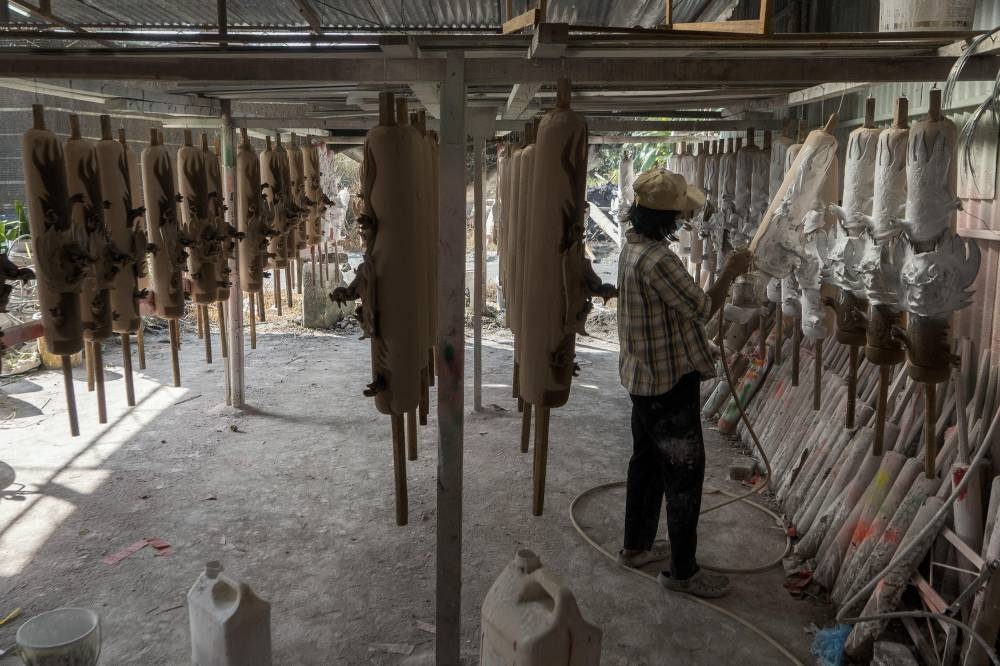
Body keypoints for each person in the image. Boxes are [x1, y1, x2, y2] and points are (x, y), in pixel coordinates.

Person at [616, 167, 752, 599]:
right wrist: (729, 271)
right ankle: (683, 572)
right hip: (668, 384)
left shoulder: (632, 246)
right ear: (666, 220)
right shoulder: (660, 260)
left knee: (646, 462)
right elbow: (703, 309)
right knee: (684, 475)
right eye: (677, 216)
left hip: (642, 378)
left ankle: (636, 546)